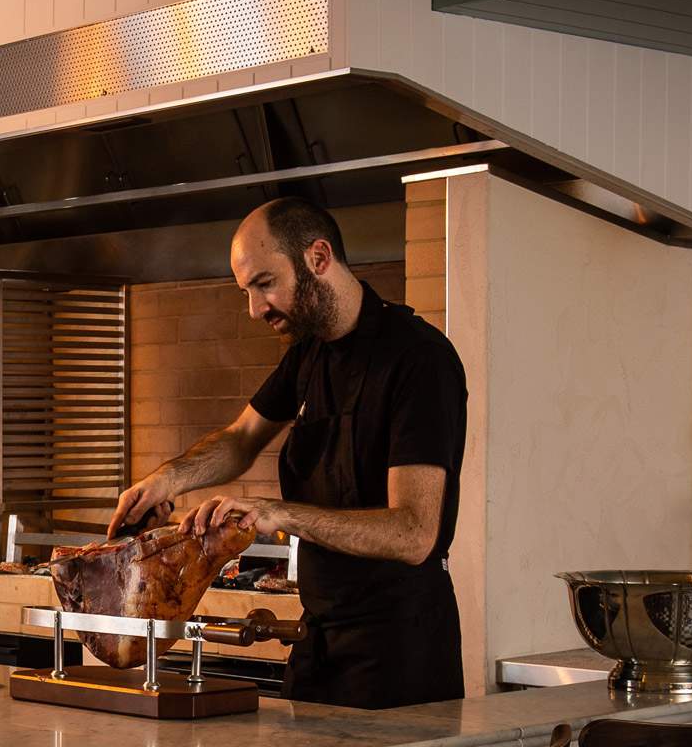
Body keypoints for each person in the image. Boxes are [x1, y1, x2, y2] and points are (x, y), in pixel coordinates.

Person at [107, 198, 468, 708]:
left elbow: (414, 533)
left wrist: (275, 514)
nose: (255, 309)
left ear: (318, 258)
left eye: (264, 284)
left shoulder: (419, 360)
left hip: (400, 653)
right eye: (247, 291)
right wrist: (168, 479)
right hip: (318, 640)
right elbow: (242, 438)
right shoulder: (309, 353)